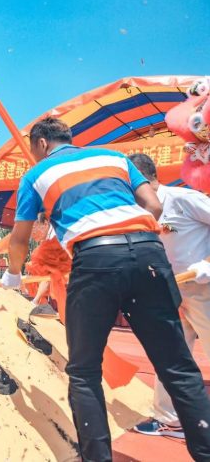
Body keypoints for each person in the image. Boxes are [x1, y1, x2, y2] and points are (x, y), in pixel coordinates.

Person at [1, 116, 210, 461]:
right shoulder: (115, 158)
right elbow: (155, 206)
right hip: (149, 256)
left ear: (40, 145)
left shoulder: (36, 175)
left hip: (96, 260)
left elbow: (19, 238)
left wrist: (12, 274)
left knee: (84, 372)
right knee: (177, 365)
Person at [129, 153, 210, 439]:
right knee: (170, 354)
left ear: (144, 179)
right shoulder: (137, 212)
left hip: (204, 286)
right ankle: (170, 419)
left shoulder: (183, 199)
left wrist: (208, 264)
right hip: (170, 292)